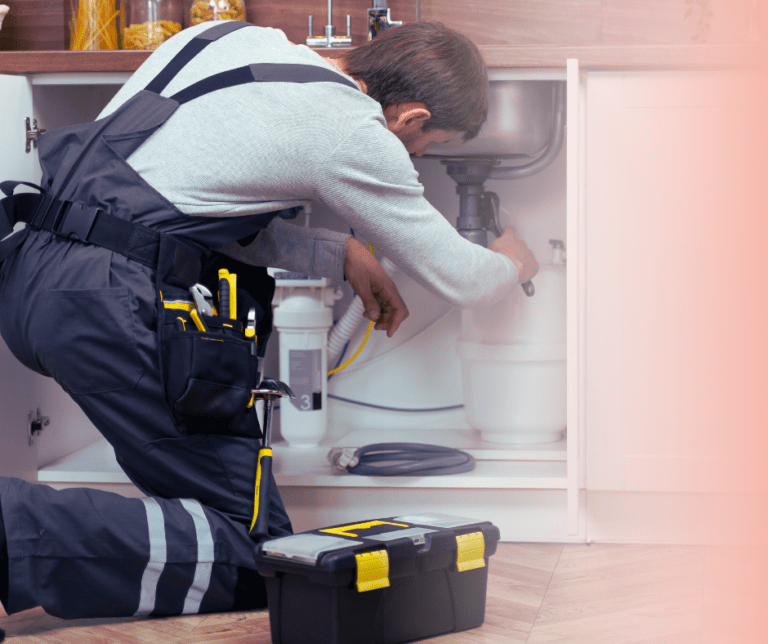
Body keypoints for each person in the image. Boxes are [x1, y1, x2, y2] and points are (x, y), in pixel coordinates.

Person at [0, 20, 538, 620]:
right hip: (111, 308)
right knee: (260, 558)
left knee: (221, 521)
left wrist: (338, 252)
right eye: (423, 145)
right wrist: (512, 261)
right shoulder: (351, 129)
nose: (413, 157)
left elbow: (177, 197)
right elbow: (463, 277)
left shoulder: (232, 37)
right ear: (409, 118)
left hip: (32, 274)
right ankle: (10, 531)